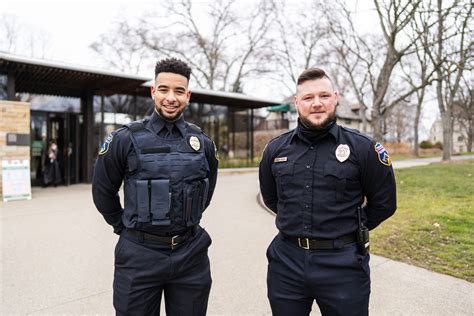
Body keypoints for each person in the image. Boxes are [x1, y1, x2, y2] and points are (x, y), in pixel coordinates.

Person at [259, 68, 396, 316]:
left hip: (342, 265)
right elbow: (271, 198)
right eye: (308, 98)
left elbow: (384, 204)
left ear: (336, 97)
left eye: (323, 96)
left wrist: (349, 226)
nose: (317, 103)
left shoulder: (364, 148)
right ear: (297, 103)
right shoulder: (275, 150)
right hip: (286, 263)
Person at [92, 58, 219, 315]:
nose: (171, 97)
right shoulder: (124, 139)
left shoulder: (202, 142)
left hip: (190, 254)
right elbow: (103, 192)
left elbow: (207, 190)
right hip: (140, 255)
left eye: (179, 91)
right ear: (153, 92)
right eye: (163, 89)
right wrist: (124, 228)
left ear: (188, 95)